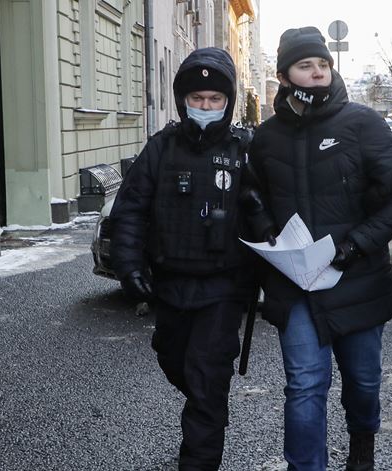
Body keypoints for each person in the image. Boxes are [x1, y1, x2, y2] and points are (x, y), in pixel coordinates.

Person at [248, 27, 392, 471]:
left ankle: (362, 448)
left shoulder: (362, 123)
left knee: (362, 381)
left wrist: (357, 244)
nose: (318, 73)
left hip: (355, 275)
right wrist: (267, 229)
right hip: (296, 282)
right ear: (285, 77)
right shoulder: (266, 138)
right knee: (304, 383)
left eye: (323, 65)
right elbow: (252, 197)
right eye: (306, 66)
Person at [110, 47, 274, 470]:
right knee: (173, 359)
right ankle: (207, 402)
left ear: (228, 102)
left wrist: (257, 210)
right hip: (171, 281)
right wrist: (129, 266)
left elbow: (272, 219)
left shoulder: (244, 150)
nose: (205, 107)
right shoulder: (160, 148)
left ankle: (199, 453)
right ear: (184, 100)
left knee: (206, 377)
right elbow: (130, 209)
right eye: (197, 99)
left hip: (223, 287)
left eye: (215, 100)